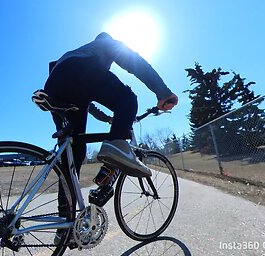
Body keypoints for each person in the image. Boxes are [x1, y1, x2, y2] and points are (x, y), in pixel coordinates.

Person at [43, 32, 178, 187]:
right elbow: (135, 62)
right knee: (128, 99)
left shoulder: (79, 52)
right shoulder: (106, 43)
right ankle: (113, 154)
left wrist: (108, 119)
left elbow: (89, 106)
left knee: (73, 154)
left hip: (54, 85)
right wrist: (163, 93)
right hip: (79, 71)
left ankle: (66, 211)